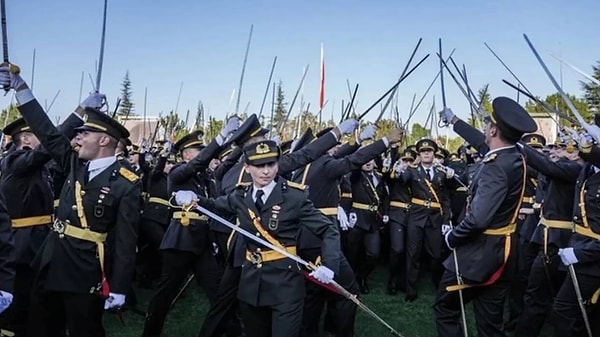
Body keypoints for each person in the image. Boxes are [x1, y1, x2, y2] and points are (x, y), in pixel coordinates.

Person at [0, 66, 142, 337]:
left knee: (83, 328)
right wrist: (21, 89)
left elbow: (126, 240)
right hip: (52, 259)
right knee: (41, 326)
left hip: (86, 269)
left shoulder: (126, 183)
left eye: (85, 134)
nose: (78, 139)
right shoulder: (74, 163)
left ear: (103, 140)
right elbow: (49, 132)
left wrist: (120, 286)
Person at [176, 140, 340, 337]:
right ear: (247, 167)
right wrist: (192, 199)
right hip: (251, 284)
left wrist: (329, 264)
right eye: (259, 166)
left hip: (285, 285)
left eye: (271, 164)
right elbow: (214, 205)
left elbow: (328, 230)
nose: (266, 171)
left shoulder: (294, 197)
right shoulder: (240, 195)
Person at [434, 97, 537, 336]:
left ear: (493, 130)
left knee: (445, 308)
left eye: (487, 125)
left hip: (480, 255)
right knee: (490, 323)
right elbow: (484, 145)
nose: (484, 130)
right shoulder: (514, 156)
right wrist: (455, 121)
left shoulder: (495, 167)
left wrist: (452, 238)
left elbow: (478, 220)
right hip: (505, 252)